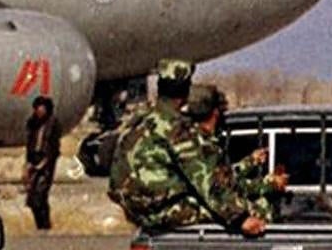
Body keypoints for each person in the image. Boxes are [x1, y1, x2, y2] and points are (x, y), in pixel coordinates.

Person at [108, 57, 267, 236]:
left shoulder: (137, 121)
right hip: (163, 212)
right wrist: (241, 218)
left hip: (135, 212)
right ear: (185, 93)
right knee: (261, 207)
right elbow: (207, 181)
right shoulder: (178, 129)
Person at [184, 83, 287, 220]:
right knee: (262, 209)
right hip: (200, 214)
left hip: (188, 216)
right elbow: (220, 188)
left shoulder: (183, 140)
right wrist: (268, 185)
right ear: (215, 113)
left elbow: (221, 178)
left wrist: (250, 162)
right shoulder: (203, 146)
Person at [23, 94, 61, 231]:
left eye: (42, 108)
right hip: (34, 159)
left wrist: (45, 163)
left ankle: (45, 225)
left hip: (47, 163)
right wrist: (28, 164)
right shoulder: (32, 123)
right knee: (31, 197)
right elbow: (29, 144)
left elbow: (54, 147)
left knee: (41, 194)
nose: (39, 111)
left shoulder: (53, 124)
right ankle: (40, 224)